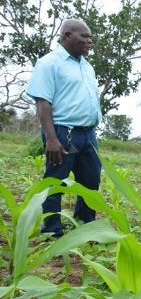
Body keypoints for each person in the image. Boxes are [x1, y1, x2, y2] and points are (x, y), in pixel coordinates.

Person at [25, 18, 102, 239]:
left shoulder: (87, 67)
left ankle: (85, 226)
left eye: (90, 37)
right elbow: (43, 102)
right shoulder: (49, 63)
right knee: (55, 181)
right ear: (67, 36)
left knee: (90, 181)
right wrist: (51, 138)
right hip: (62, 132)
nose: (90, 41)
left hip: (88, 133)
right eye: (84, 36)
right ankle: (51, 230)